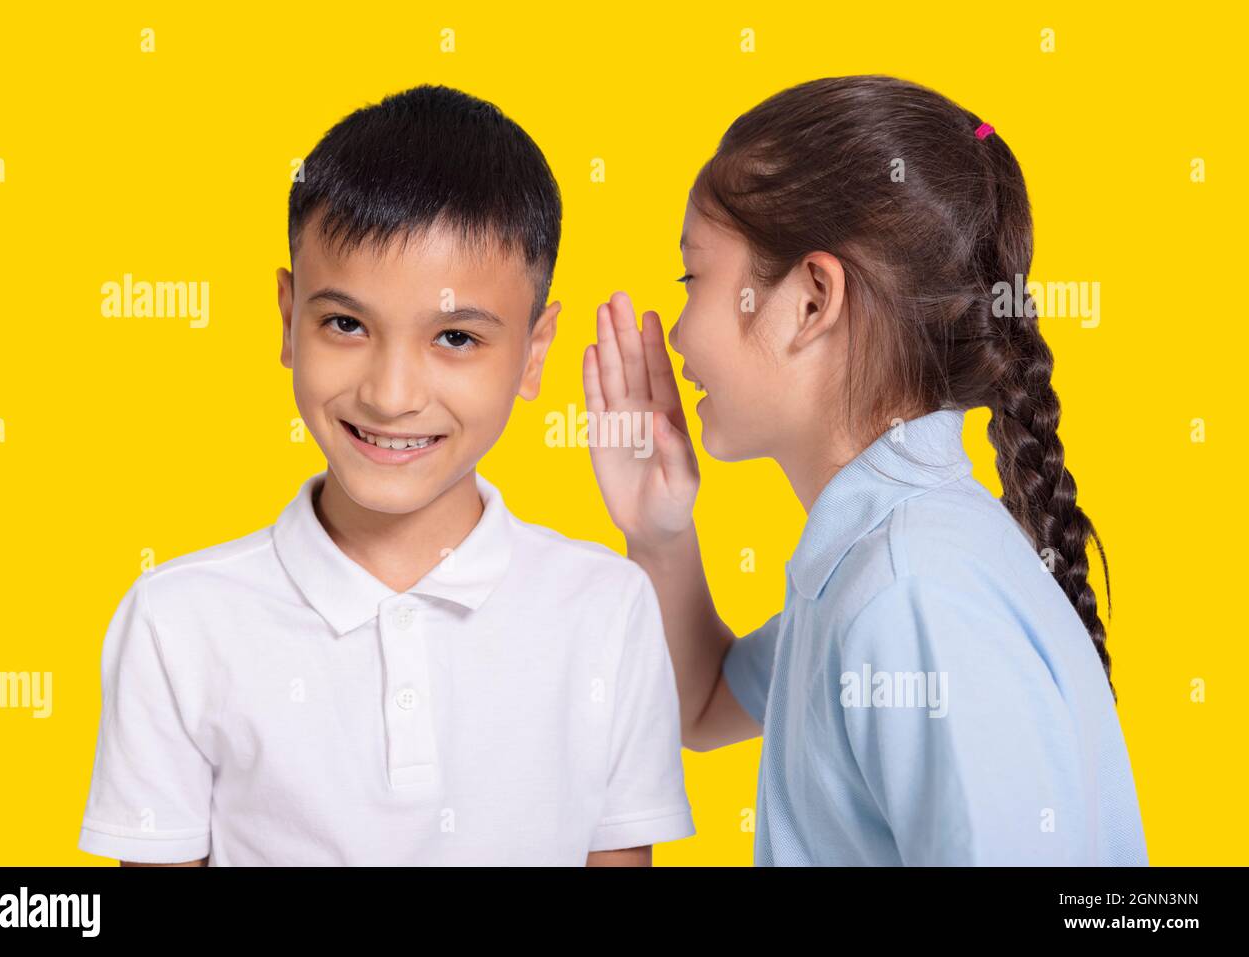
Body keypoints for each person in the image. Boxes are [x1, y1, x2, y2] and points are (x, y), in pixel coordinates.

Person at [77, 84, 694, 866]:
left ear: (535, 352)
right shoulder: (178, 623)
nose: (391, 394)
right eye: (345, 324)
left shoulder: (607, 609)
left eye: (457, 338)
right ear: (287, 318)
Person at [582, 75, 1147, 865]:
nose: (675, 331)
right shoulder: (880, 565)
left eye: (693, 279)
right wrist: (658, 529)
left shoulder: (910, 591)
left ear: (812, 300)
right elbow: (703, 705)